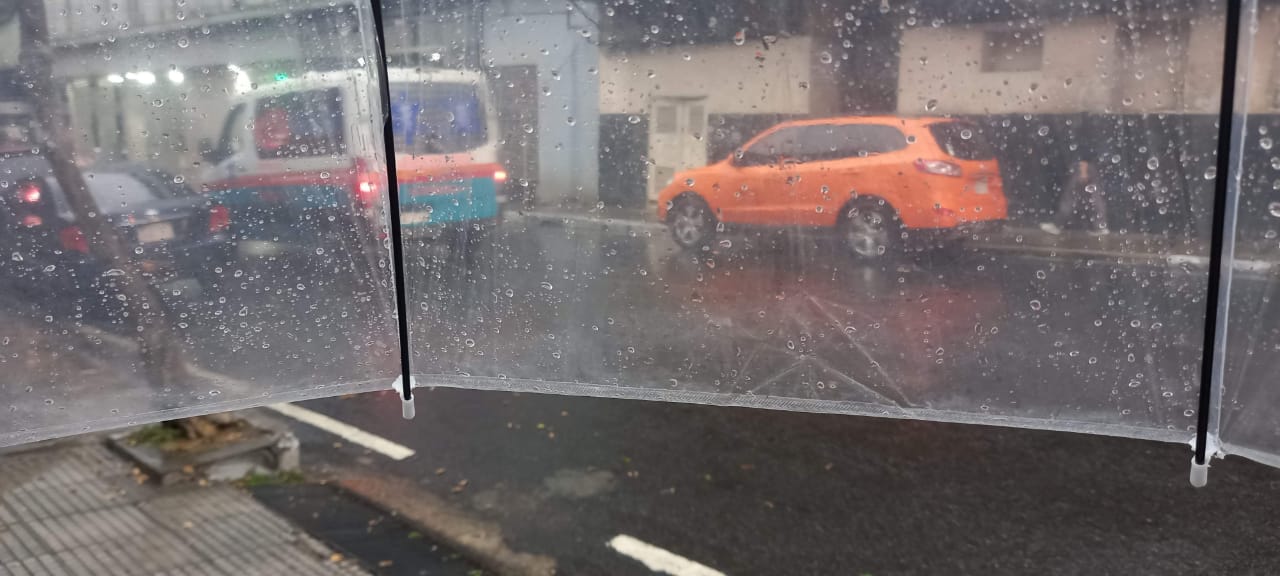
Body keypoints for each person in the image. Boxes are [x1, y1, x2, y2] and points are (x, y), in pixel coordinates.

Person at [1040, 159, 1108, 236]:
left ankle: (1057, 225)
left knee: (1072, 196)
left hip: (1083, 164)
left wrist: (1083, 170)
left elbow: (1083, 154)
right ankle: (1100, 226)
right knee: (1092, 195)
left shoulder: (1083, 166)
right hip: (1089, 163)